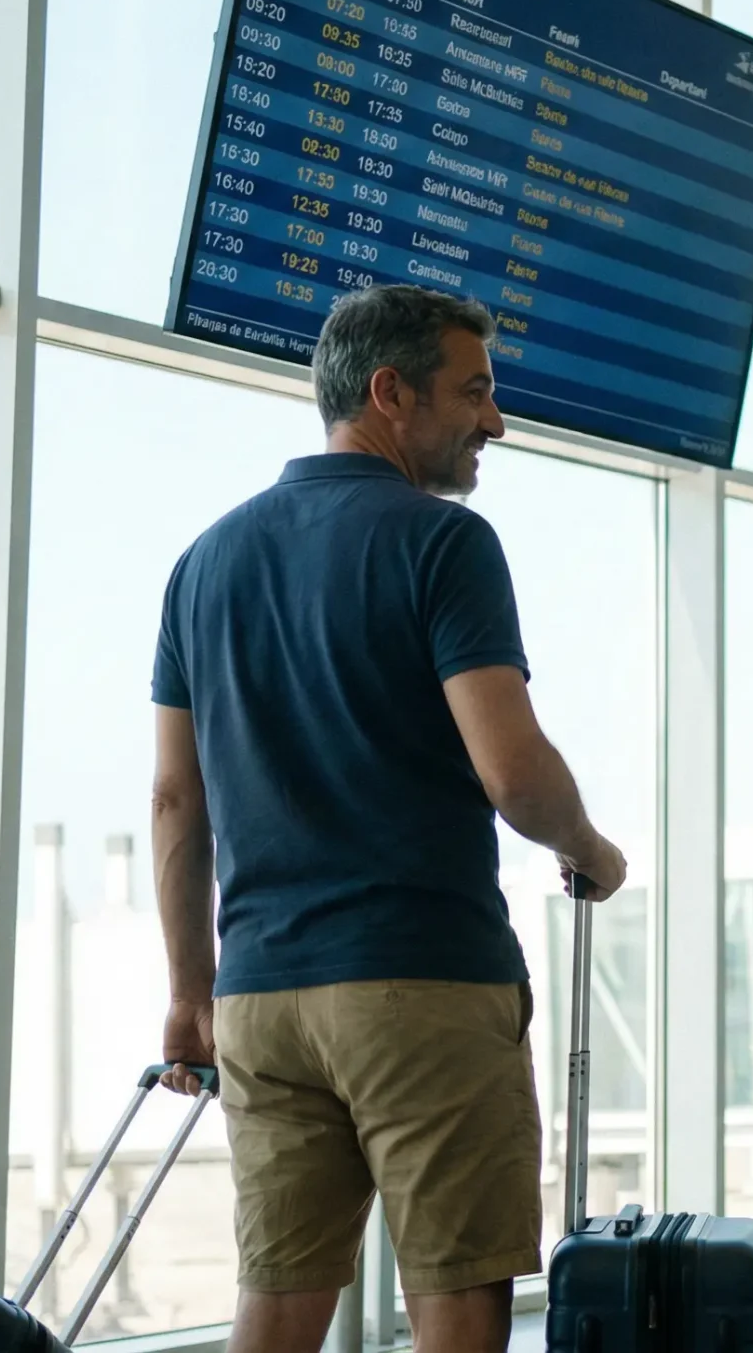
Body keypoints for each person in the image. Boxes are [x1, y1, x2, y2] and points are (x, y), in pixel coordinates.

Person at [150, 285, 627, 1353]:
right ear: (388, 392)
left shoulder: (202, 565)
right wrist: (591, 850)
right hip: (419, 982)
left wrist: (191, 991)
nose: (494, 421)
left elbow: (178, 801)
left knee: (275, 1308)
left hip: (261, 1000)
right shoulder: (442, 543)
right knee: (455, 1303)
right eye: (474, 391)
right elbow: (512, 771)